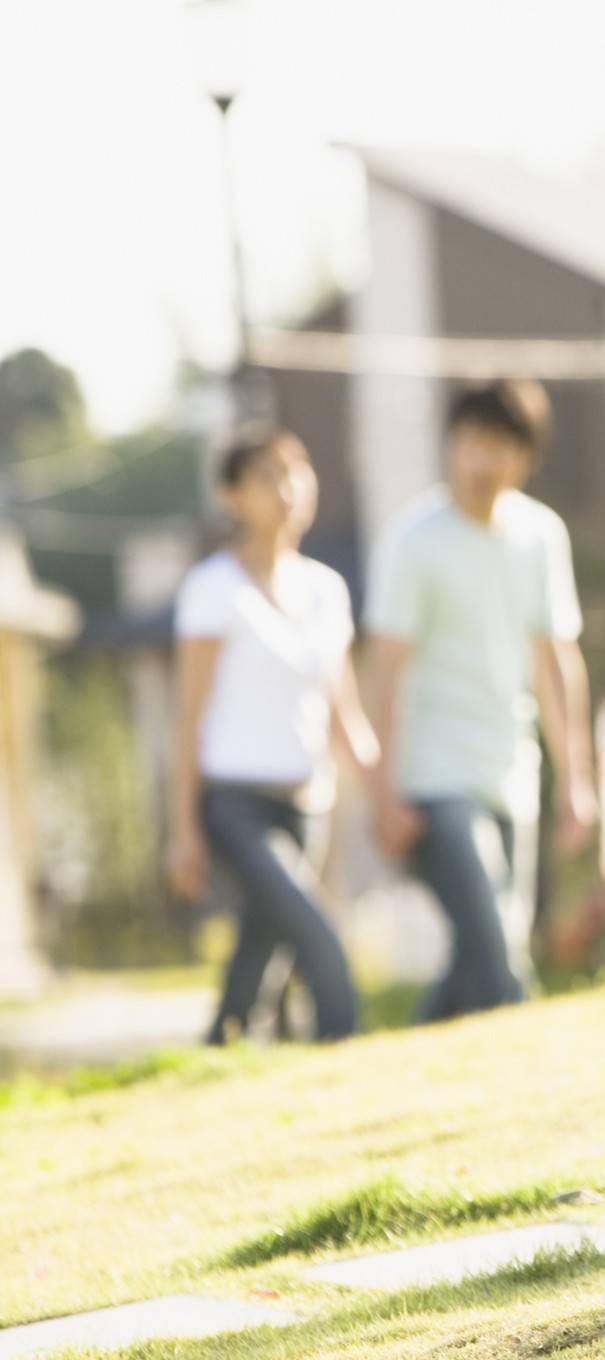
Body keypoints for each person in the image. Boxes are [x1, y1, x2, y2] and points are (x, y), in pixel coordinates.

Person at [362, 380, 597, 1021]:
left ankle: (402, 1063)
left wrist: (575, 778)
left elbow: (556, 661)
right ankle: (537, 1065)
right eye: (467, 443)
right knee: (497, 955)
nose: (479, 461)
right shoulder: (414, 539)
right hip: (433, 778)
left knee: (485, 956)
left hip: (510, 768)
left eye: (496, 446)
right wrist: (380, 791)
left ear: (525, 457)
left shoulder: (540, 534)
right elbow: (384, 669)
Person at [167, 423, 378, 1044]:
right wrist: (183, 831)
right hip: (235, 804)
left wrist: (387, 793)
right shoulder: (212, 590)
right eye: (266, 476)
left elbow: (344, 712)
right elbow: (187, 719)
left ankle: (220, 1050)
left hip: (308, 802)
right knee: (320, 941)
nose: (286, 489)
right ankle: (345, 1049)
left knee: (260, 955)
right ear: (232, 496)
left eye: (295, 471)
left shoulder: (326, 590)